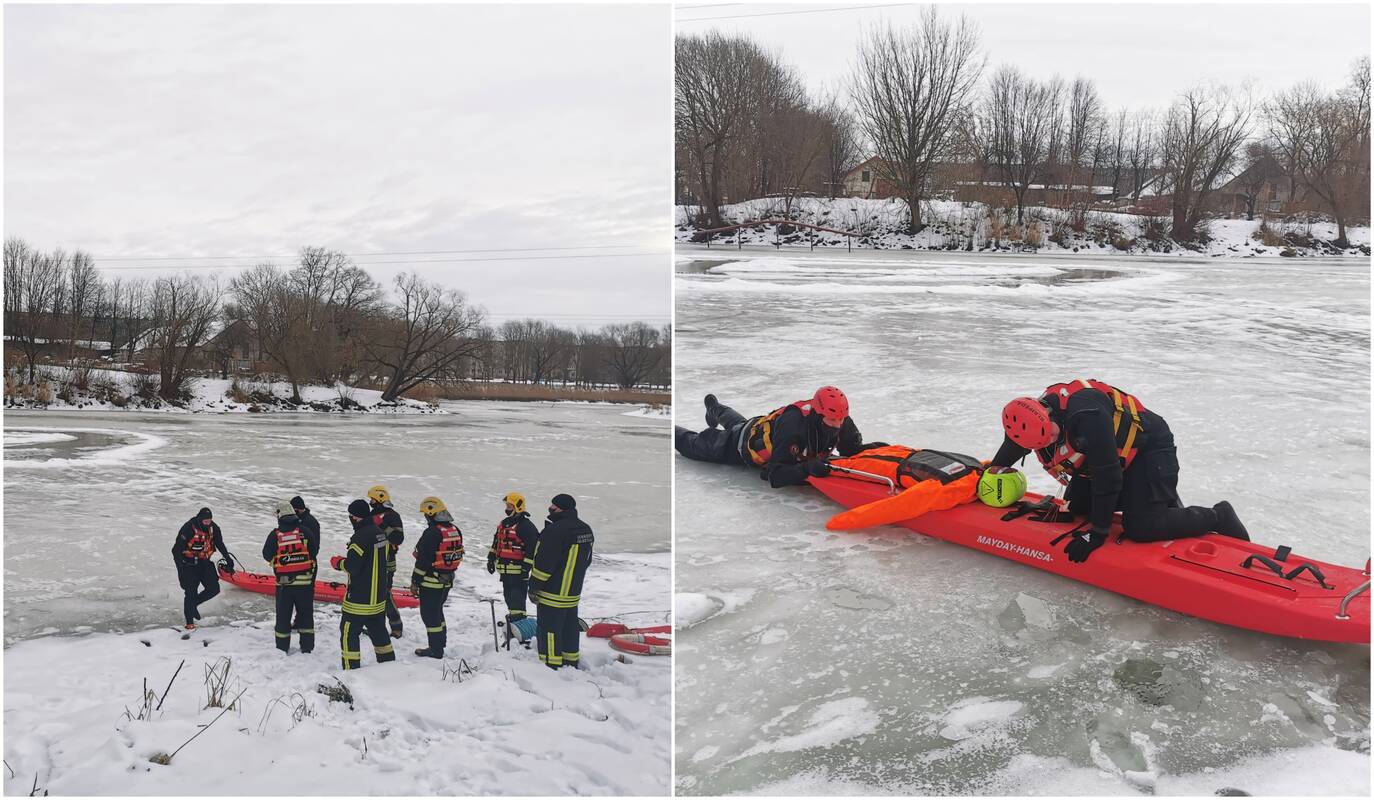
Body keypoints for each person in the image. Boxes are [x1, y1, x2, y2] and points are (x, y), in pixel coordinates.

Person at [993, 379, 1250, 564]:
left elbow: (1109, 476)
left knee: (1141, 527)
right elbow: (1011, 448)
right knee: (1079, 508)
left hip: (1150, 451)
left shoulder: (1086, 416)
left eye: (1051, 436)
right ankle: (1155, 499)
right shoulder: (1024, 420)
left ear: (1049, 416)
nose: (1051, 441)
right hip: (1111, 454)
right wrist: (991, 472)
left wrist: (1097, 535)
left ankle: (1218, 515)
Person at [674, 386, 871, 487]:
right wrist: (808, 468)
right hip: (737, 447)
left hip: (756, 426)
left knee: (739, 424)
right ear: (818, 414)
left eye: (841, 420)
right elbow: (776, 476)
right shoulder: (794, 427)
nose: (838, 426)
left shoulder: (839, 416)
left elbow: (851, 449)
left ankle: (715, 409)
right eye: (832, 421)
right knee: (691, 444)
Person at [528, 494, 593, 670]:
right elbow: (587, 561)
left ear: (561, 508)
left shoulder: (555, 531)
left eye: (553, 506)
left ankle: (551, 665)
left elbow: (544, 564)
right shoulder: (586, 530)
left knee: (549, 629)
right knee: (570, 628)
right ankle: (571, 661)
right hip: (573, 593)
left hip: (552, 593)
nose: (550, 508)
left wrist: (534, 587)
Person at [330, 499, 395, 670]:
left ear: (356, 518)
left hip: (358, 600)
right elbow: (387, 561)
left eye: (351, 516)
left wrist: (338, 563)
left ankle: (351, 671)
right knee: (379, 633)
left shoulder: (359, 538)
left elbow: (353, 567)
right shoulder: (380, 533)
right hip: (378, 600)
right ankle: (389, 667)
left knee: (348, 633)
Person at [409, 496, 465, 658]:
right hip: (446, 581)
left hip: (431, 582)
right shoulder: (455, 530)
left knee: (429, 615)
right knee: (437, 612)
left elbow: (422, 561)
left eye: (426, 514)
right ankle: (440, 643)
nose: (425, 517)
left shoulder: (432, 533)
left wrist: (415, 582)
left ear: (431, 513)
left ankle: (436, 649)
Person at [262, 500, 319, 654]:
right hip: (305, 584)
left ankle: (282, 648)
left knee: (283, 618)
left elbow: (266, 554)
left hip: (284, 585)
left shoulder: (275, 535)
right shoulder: (306, 532)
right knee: (306, 616)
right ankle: (307, 648)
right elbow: (313, 552)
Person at [171, 506, 237, 630]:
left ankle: (194, 604)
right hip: (189, 565)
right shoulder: (188, 528)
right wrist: (180, 571)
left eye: (209, 521)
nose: (208, 523)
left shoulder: (214, 528)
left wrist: (228, 558)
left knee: (214, 588)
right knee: (190, 593)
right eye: (205, 521)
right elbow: (176, 551)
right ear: (200, 519)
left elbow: (219, 544)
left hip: (205, 563)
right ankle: (189, 623)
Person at [486, 492, 540, 624]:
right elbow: (496, 543)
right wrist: (490, 559)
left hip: (518, 571)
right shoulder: (504, 524)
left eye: (510, 506)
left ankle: (519, 623)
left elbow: (532, 549)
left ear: (518, 507)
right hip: (505, 571)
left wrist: (525, 568)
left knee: (517, 599)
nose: (507, 508)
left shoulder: (526, 526)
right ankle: (514, 621)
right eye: (507, 505)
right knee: (508, 597)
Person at [367, 485, 405, 639]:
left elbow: (398, 538)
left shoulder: (392, 516)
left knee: (385, 596)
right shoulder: (372, 515)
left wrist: (381, 524)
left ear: (380, 500)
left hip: (387, 562)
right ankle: (376, 627)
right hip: (372, 560)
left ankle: (397, 626)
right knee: (373, 596)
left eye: (372, 499)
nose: (370, 502)